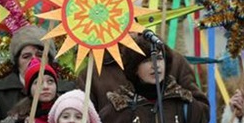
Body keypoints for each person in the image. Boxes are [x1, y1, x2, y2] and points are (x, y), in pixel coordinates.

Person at [80, 44, 209, 114]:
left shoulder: (172, 60)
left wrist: (174, 116)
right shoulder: (92, 73)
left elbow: (201, 112)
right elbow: (81, 122)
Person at [0, 24, 73, 121]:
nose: (34, 60)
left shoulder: (68, 91)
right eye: (26, 56)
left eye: (40, 55)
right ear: (17, 62)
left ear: (49, 60)